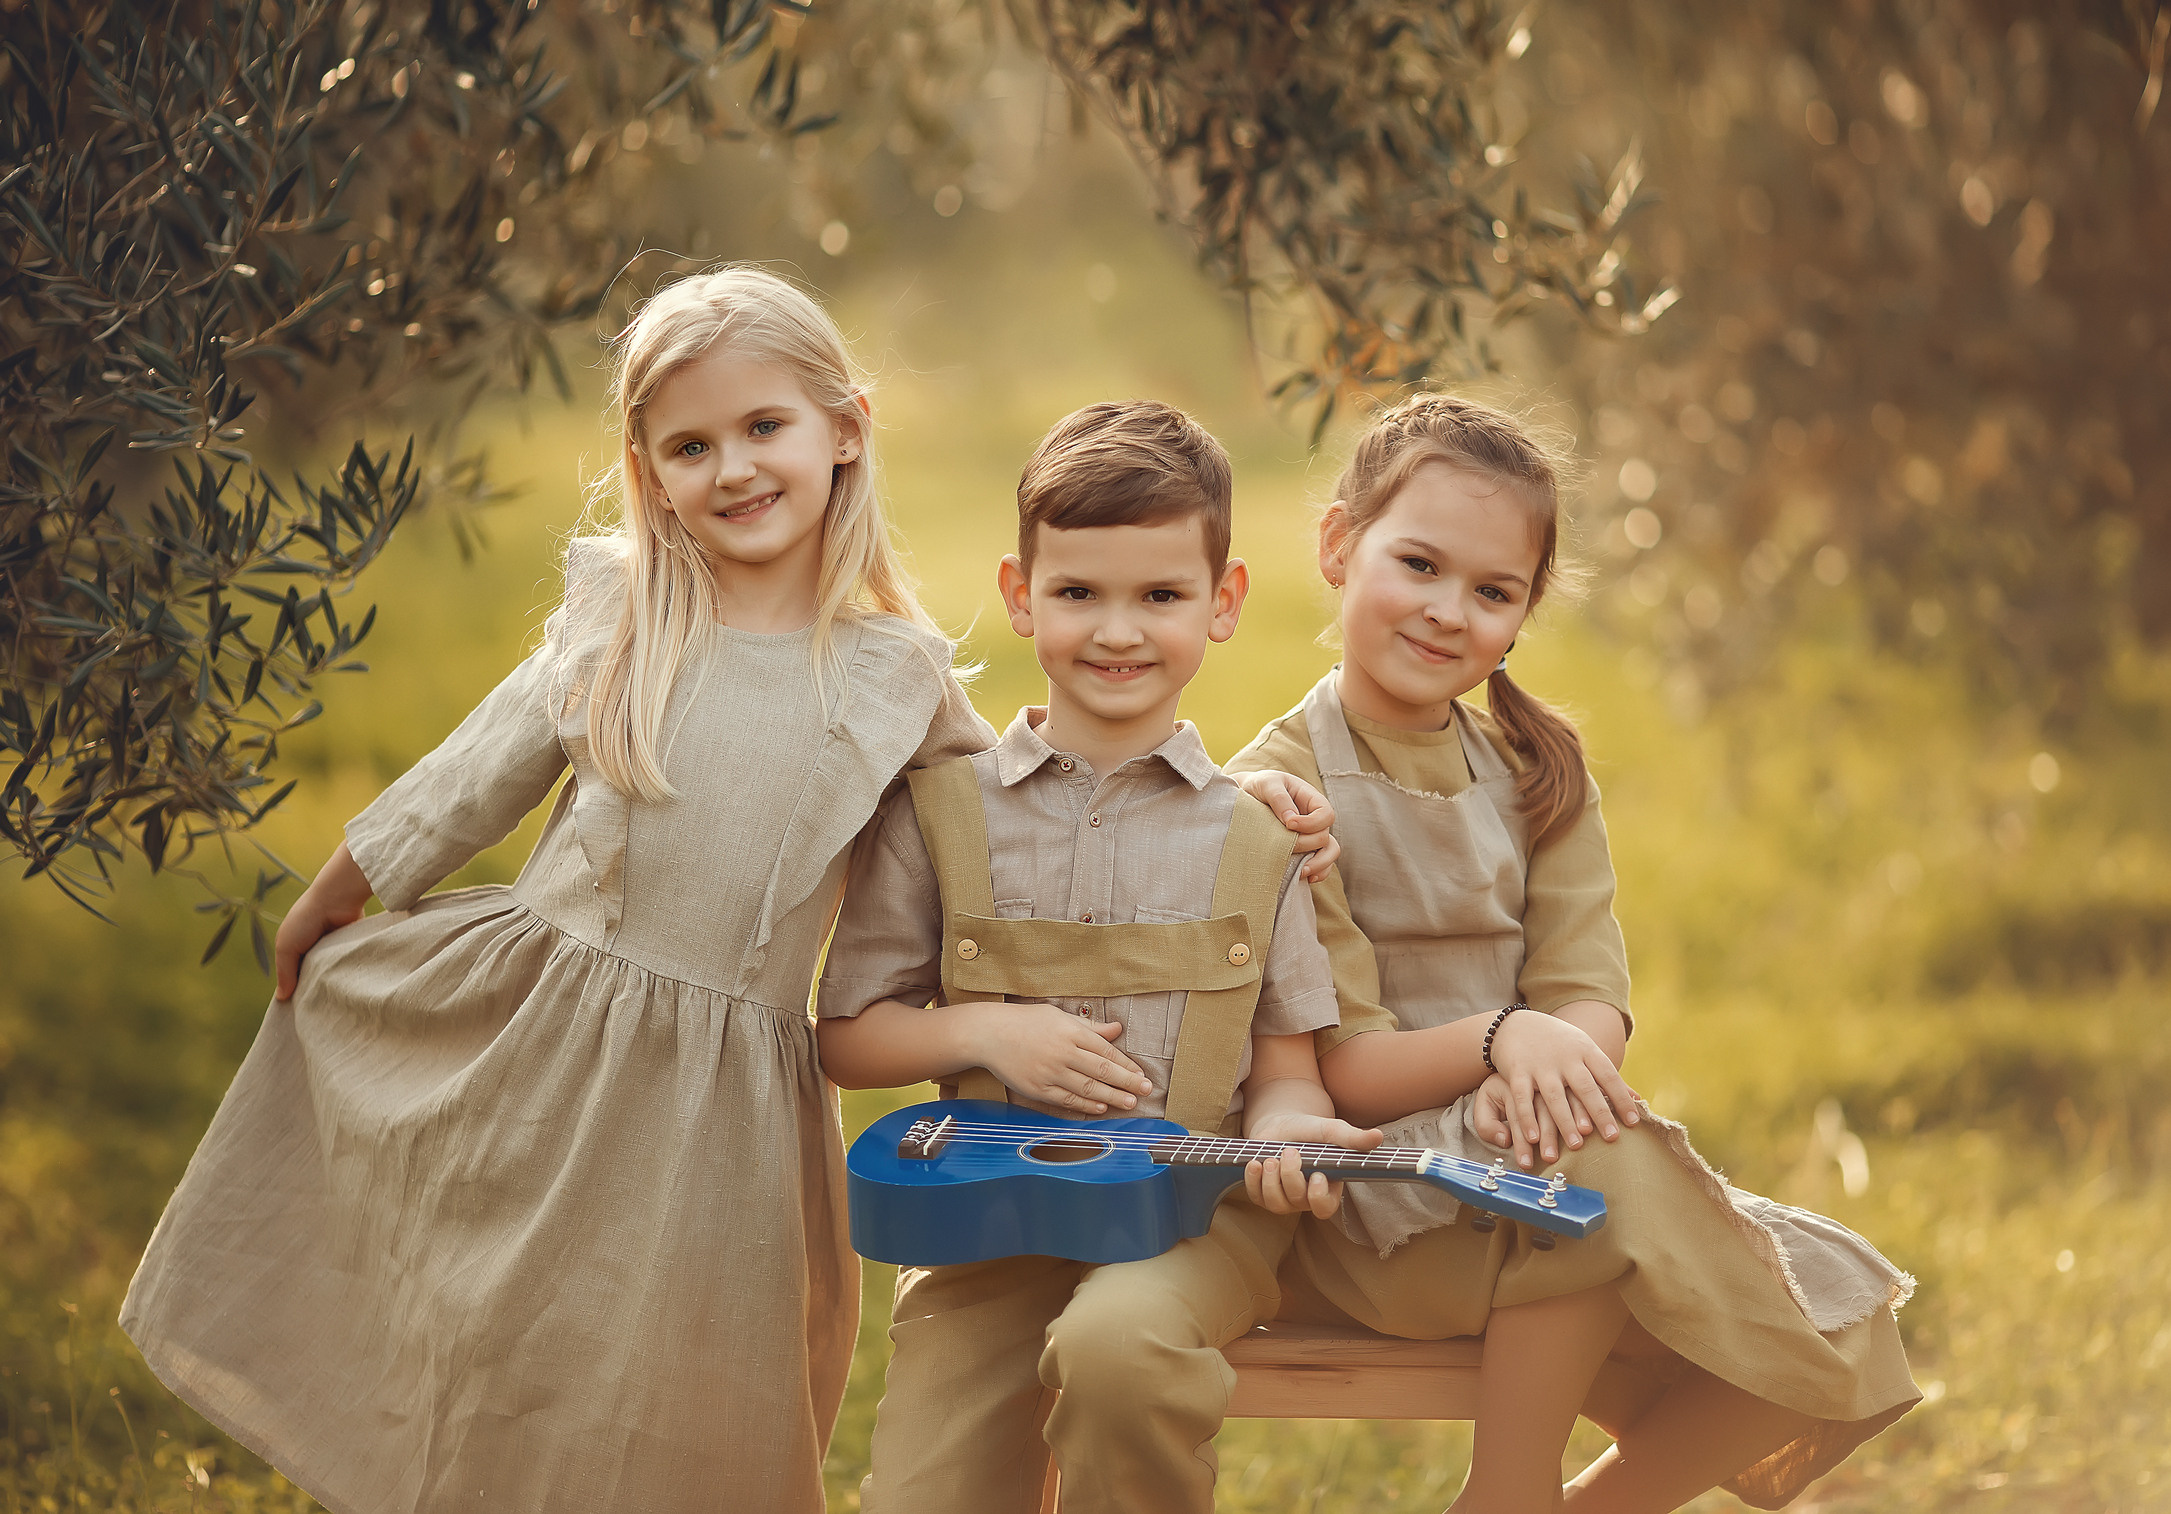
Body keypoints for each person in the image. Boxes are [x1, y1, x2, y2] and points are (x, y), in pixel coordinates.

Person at [1226, 392, 1920, 1513]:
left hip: (1532, 1146)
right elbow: (1344, 1063)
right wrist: (1508, 1046)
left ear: (1521, 612)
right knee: (1601, 1190)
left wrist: (1552, 1077)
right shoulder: (1282, 794)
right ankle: (1507, 1492)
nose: (1447, 609)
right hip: (1377, 1199)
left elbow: (1586, 987)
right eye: (1417, 564)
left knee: (1849, 1326)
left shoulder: (1535, 772)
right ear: (1335, 545)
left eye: (1491, 590)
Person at [816, 400, 1382, 1514]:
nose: (1116, 631)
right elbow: (845, 1033)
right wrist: (983, 1029)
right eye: (1077, 593)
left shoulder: (1259, 837)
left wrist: (1277, 1131)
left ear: (1221, 604)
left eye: (1159, 595)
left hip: (1192, 1225)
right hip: (984, 1232)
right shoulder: (939, 811)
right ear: (1020, 595)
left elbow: (1284, 1066)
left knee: (1119, 1348)